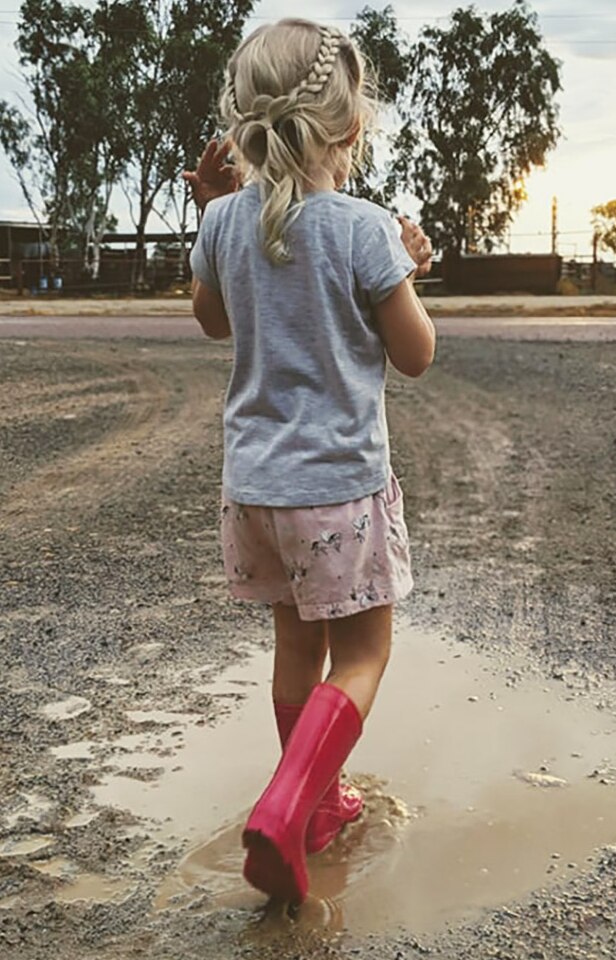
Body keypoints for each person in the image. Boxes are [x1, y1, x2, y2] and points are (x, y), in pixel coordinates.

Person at [184, 17, 435, 906]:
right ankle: (291, 804)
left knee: (297, 646)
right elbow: (415, 354)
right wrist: (406, 270)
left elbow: (212, 322)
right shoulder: (364, 228)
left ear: (245, 124)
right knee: (363, 655)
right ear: (350, 126)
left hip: (253, 494)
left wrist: (208, 209)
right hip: (337, 493)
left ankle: (317, 808)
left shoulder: (220, 222)